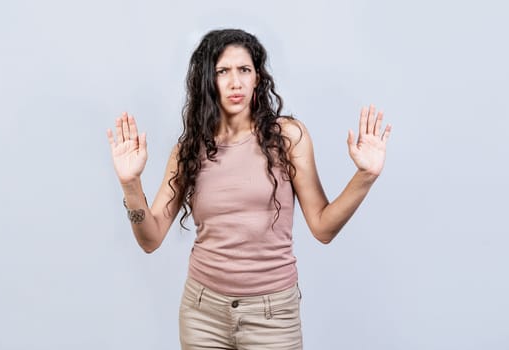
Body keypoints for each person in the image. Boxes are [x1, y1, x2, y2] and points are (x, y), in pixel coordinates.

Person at [106, 28, 391, 350]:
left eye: (244, 70)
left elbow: (323, 228)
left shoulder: (287, 137)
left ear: (258, 77)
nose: (235, 82)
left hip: (272, 315)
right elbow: (151, 238)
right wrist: (130, 184)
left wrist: (365, 175)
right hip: (202, 313)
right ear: (207, 81)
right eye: (222, 71)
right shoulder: (189, 149)